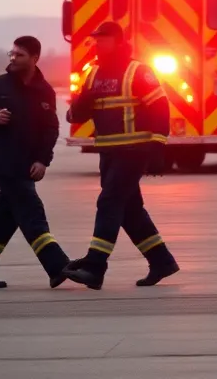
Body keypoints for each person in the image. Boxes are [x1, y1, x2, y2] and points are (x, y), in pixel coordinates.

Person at [60, 21, 179, 290]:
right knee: (129, 210)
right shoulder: (91, 73)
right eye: (95, 40)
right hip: (109, 153)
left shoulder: (138, 71)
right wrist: (83, 101)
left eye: (102, 39)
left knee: (109, 202)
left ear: (117, 41)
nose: (97, 44)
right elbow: (75, 116)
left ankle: (95, 266)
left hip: (133, 152)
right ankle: (161, 261)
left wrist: (158, 147)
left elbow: (160, 108)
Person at [0, 36, 71, 289]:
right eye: (11, 54)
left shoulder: (45, 91)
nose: (12, 58)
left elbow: (50, 129)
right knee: (31, 211)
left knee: (4, 216)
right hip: (2, 161)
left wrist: (43, 160)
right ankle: (57, 265)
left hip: (26, 163)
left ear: (34, 58)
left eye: (19, 55)